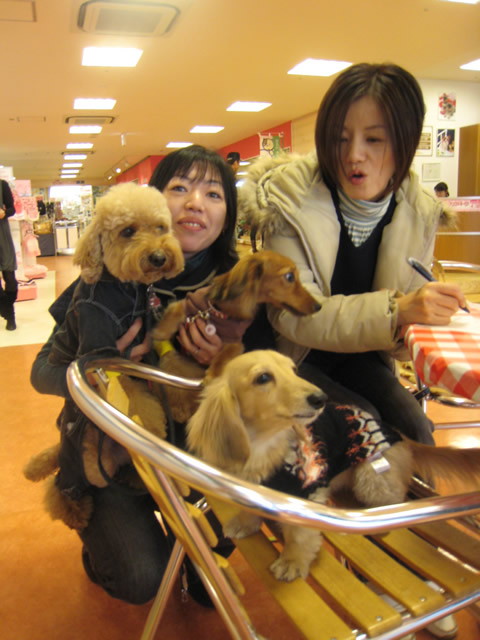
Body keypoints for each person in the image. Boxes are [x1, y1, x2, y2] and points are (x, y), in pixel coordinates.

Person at [30, 145, 244, 606]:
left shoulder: (239, 283)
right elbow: (40, 372)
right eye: (180, 188)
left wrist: (223, 363)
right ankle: (101, 538)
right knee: (140, 578)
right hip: (113, 440)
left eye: (213, 193)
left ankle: (190, 551)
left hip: (196, 448)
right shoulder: (100, 283)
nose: (195, 203)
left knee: (208, 584)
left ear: (228, 213)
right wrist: (104, 369)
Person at [239, 63, 468, 449]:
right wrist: (398, 310)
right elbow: (294, 317)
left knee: (416, 429)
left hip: (366, 355)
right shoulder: (287, 198)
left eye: (374, 139)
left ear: (406, 142)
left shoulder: (420, 210)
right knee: (366, 427)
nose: (353, 155)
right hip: (294, 357)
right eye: (340, 139)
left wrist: (422, 314)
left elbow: (401, 338)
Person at [0, 179, 18, 331]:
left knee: (10, 278)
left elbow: (12, 209)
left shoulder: (2, 185)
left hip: (2, 234)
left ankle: (7, 310)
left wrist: (4, 213)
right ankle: (10, 315)